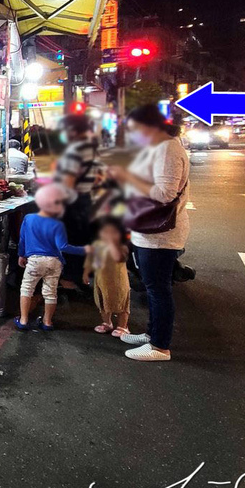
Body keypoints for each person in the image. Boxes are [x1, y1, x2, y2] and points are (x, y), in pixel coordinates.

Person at [107, 104, 190, 363]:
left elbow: (166, 193)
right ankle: (152, 334)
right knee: (154, 286)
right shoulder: (162, 146)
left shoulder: (167, 148)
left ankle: (160, 346)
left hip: (160, 233)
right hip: (150, 231)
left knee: (158, 289)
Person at [16, 184, 90, 331]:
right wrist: (84, 250)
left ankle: (23, 320)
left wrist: (21, 255)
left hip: (35, 261)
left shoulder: (28, 218)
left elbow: (22, 239)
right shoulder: (58, 224)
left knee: (27, 289)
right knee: (50, 292)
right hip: (54, 262)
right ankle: (47, 322)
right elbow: (63, 246)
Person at [55, 114, 103, 288]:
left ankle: (70, 282)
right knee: (82, 239)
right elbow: (99, 177)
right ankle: (83, 279)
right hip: (86, 201)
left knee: (70, 241)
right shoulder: (92, 148)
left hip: (72, 203)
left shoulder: (74, 150)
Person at [83, 216, 131, 337]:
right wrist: (86, 272)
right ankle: (107, 322)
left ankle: (123, 326)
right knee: (102, 299)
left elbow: (121, 257)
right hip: (101, 277)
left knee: (121, 299)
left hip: (117, 276)